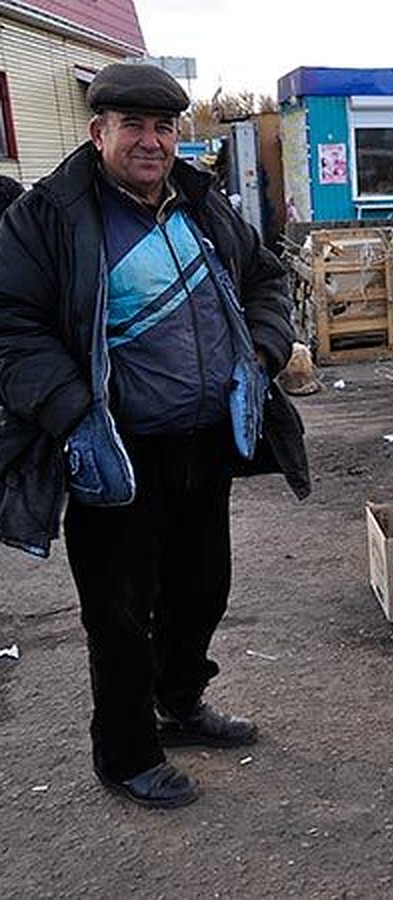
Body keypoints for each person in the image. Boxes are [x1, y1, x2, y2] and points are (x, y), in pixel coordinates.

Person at [0, 63, 309, 809]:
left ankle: (180, 704)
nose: (151, 140)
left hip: (204, 440)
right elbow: (11, 329)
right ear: (97, 131)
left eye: (163, 126)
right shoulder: (46, 218)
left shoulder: (202, 204)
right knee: (118, 614)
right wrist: (74, 414)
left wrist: (261, 358)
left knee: (202, 590)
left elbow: (266, 281)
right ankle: (127, 753)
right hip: (113, 449)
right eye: (132, 125)